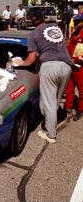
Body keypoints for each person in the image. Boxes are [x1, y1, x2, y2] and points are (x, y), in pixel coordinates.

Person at [12, 11, 72, 143]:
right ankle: (50, 120)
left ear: (31, 21)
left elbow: (31, 59)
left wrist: (21, 63)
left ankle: (51, 134)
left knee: (48, 102)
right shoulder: (56, 27)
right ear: (42, 19)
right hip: (67, 66)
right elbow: (54, 46)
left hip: (50, 67)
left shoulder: (33, 34)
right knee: (56, 99)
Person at [65, 15, 83, 121]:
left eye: (78, 21)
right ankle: (68, 108)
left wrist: (75, 60)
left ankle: (80, 110)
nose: (76, 23)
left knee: (81, 90)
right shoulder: (73, 34)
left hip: (80, 68)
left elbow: (81, 52)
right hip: (71, 66)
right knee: (69, 88)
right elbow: (69, 48)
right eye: (75, 21)